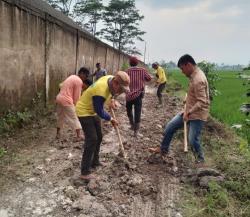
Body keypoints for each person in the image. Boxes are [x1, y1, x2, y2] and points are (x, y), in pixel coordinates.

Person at [149, 54, 210, 166]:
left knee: (192, 140)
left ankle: (200, 160)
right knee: (170, 127)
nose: (182, 72)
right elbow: (194, 94)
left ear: (188, 65)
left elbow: (203, 102)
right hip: (188, 111)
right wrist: (188, 99)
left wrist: (189, 112)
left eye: (182, 68)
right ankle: (163, 149)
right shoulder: (193, 75)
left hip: (198, 115)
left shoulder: (198, 79)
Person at [76, 71, 130, 180]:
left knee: (99, 137)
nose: (120, 92)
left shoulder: (110, 78)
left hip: (92, 111)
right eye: (120, 89)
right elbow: (99, 110)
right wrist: (111, 119)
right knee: (92, 139)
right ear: (115, 83)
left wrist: (112, 100)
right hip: (84, 111)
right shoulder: (100, 90)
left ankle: (95, 162)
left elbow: (111, 93)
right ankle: (84, 172)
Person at [55, 67, 90, 141]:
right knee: (74, 117)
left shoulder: (72, 76)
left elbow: (60, 85)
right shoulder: (79, 81)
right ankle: (79, 135)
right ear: (81, 73)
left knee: (60, 116)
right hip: (66, 100)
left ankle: (58, 134)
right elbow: (76, 98)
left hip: (59, 98)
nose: (85, 78)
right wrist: (78, 108)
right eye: (86, 76)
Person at [126, 56, 152, 136]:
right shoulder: (142, 70)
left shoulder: (127, 71)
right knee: (138, 112)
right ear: (137, 62)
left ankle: (132, 125)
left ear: (130, 63)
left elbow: (123, 81)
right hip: (138, 95)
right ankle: (136, 131)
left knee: (129, 110)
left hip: (129, 95)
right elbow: (149, 78)